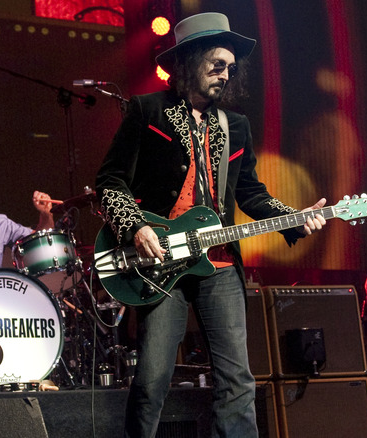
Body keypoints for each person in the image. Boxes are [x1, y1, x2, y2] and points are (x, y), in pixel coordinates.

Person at [95, 13, 327, 438]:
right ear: (188, 63)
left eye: (230, 67)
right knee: (151, 381)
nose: (225, 73)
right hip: (161, 263)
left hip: (219, 266)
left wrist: (294, 219)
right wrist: (135, 228)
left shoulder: (235, 125)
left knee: (237, 380)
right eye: (217, 64)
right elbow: (110, 179)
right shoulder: (148, 110)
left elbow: (251, 193)